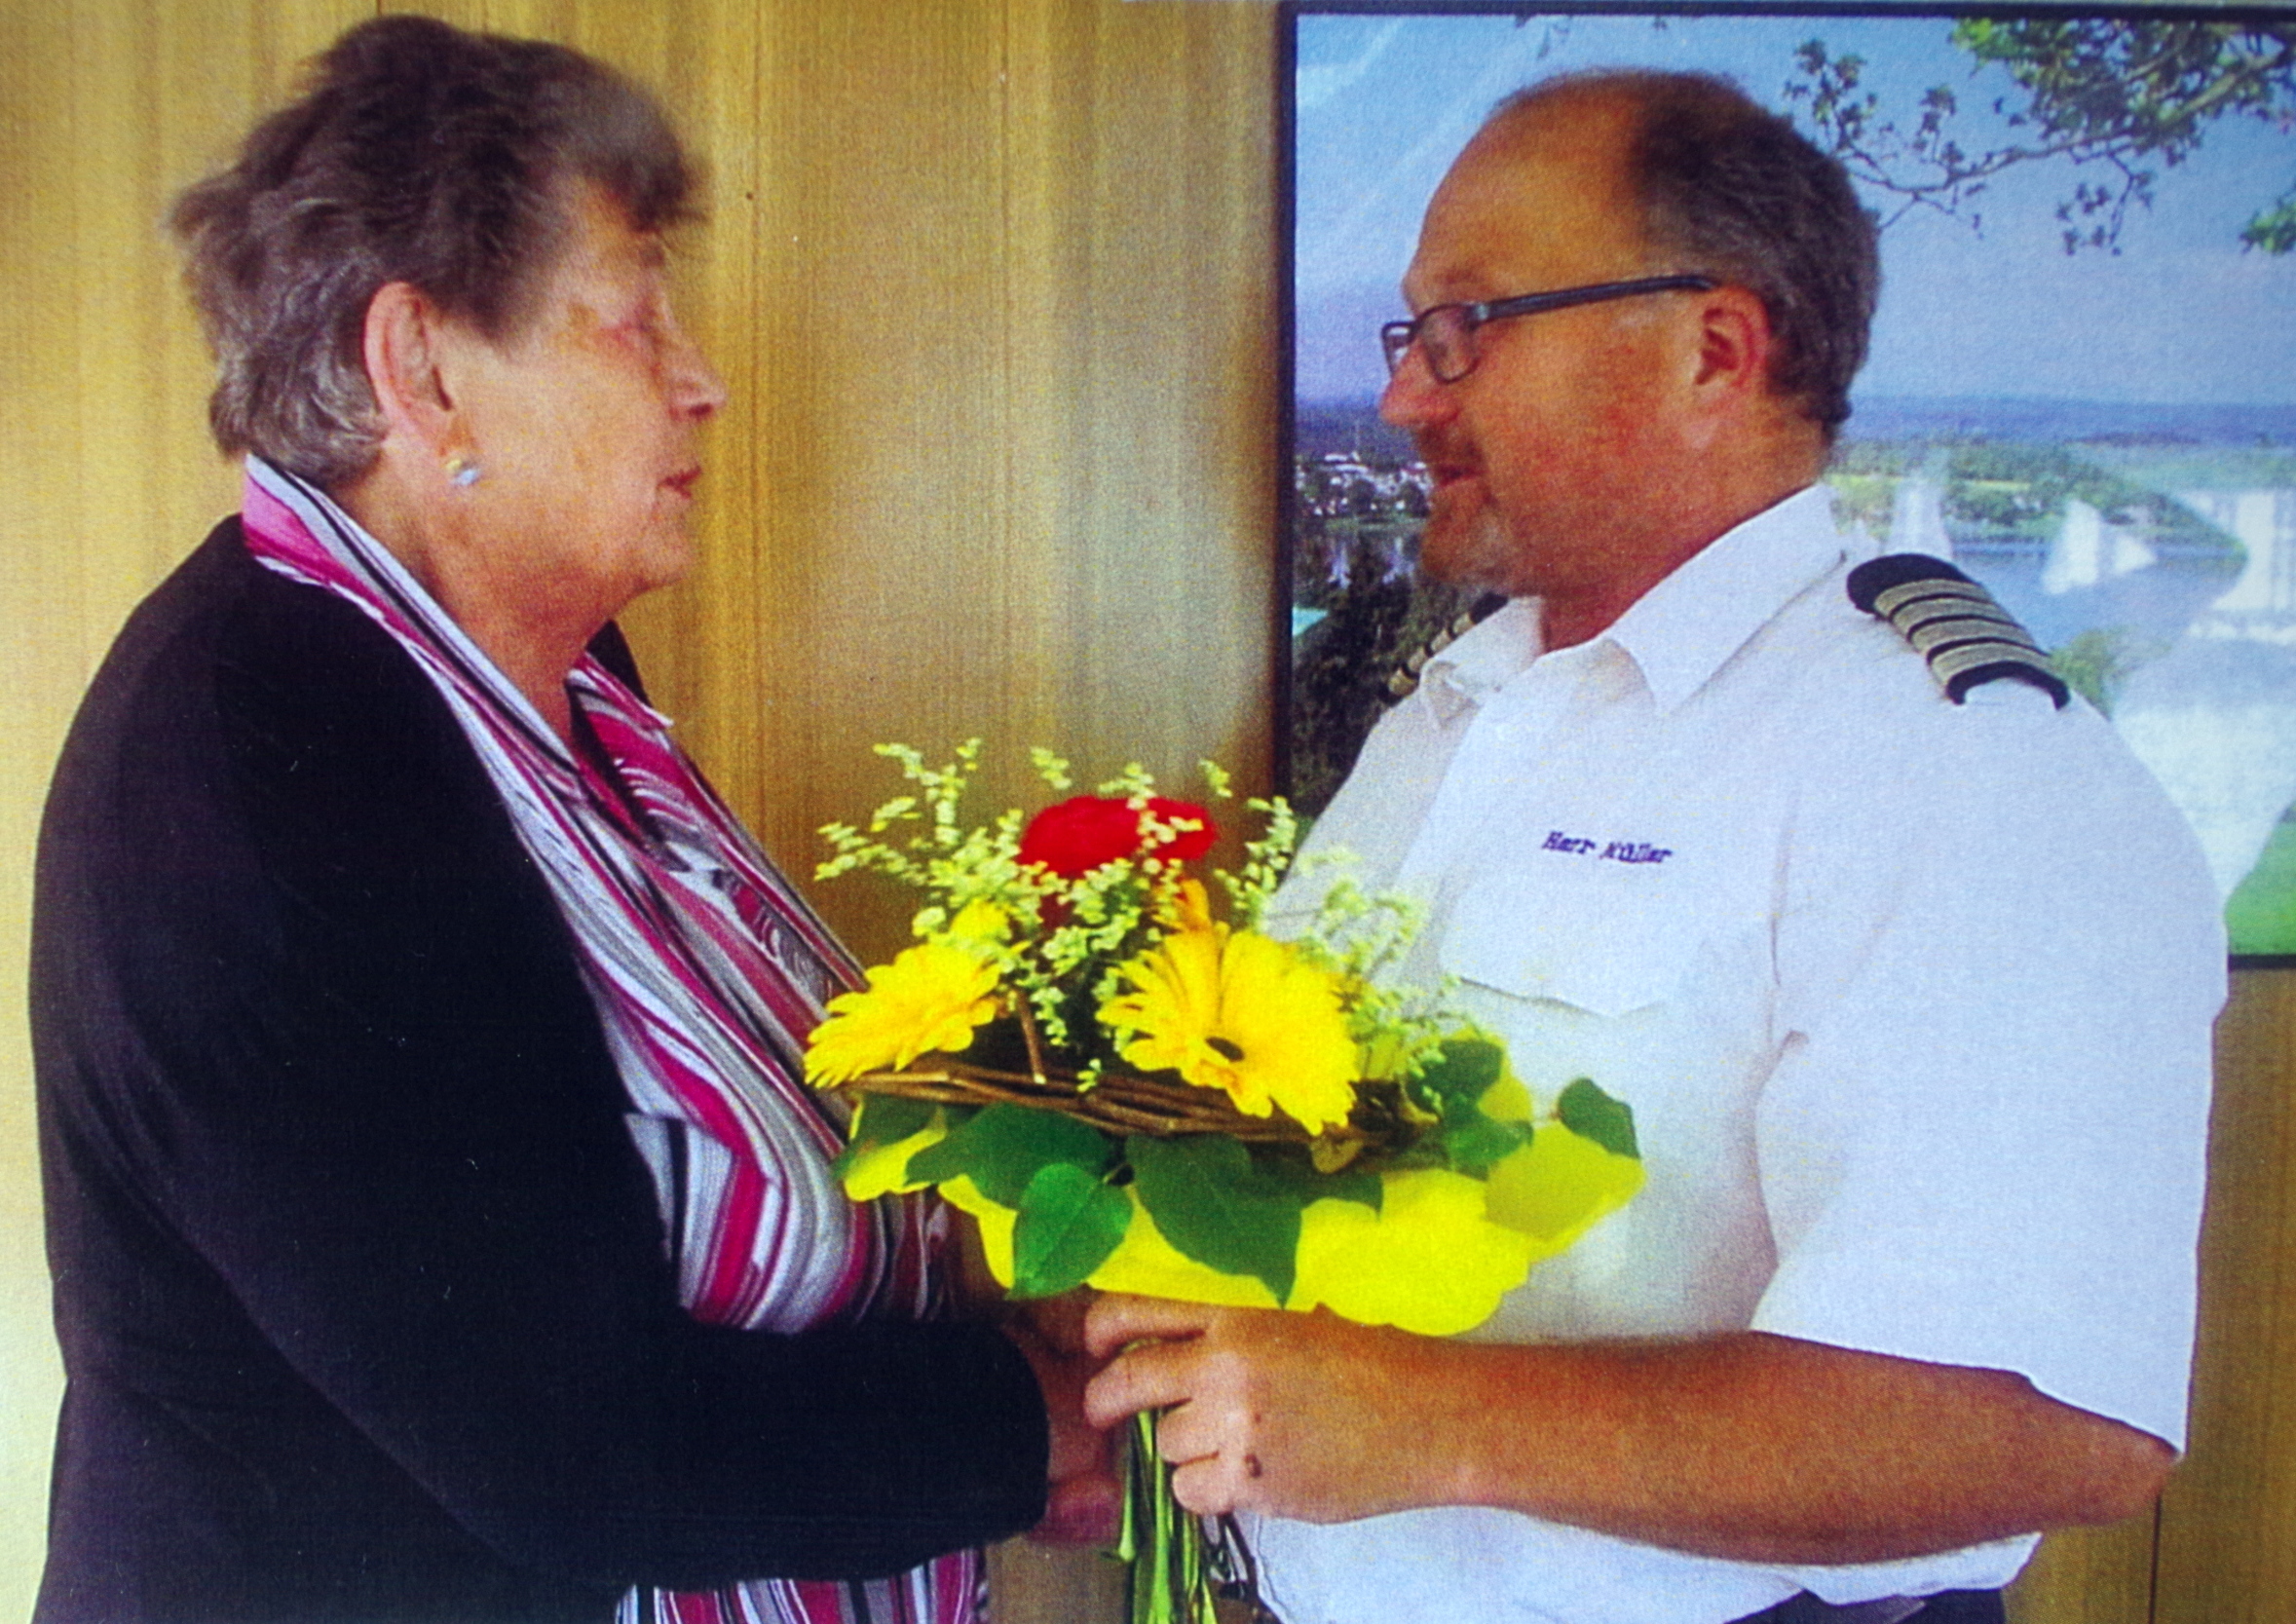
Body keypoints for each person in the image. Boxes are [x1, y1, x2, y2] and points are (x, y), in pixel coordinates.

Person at [1083, 69, 2224, 1624]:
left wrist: (1434, 1425)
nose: (1408, 397)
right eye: (1412, 334)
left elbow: (2043, 1424)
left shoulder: (1958, 767)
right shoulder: (1463, 706)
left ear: (1714, 350)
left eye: (1466, 327)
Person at [30, 18, 1104, 1623]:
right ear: (424, 370)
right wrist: (1028, 1423)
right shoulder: (260, 753)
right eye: (634, 315)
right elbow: (569, 1449)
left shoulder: (549, 674)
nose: (702, 380)